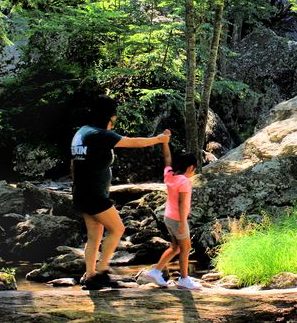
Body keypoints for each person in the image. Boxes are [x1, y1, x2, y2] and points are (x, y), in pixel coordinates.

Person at [71, 95, 168, 289]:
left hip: (82, 192)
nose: (113, 126)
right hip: (94, 195)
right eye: (112, 121)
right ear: (106, 117)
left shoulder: (82, 132)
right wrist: (159, 139)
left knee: (95, 234)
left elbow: (73, 164)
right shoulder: (100, 134)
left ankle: (90, 276)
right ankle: (102, 271)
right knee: (118, 229)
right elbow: (134, 142)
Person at [142, 137, 201, 290]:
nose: (194, 172)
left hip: (168, 217)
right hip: (177, 219)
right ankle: (184, 279)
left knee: (175, 247)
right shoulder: (184, 182)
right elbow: (182, 203)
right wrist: (182, 223)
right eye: (194, 169)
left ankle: (155, 271)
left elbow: (167, 158)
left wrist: (165, 142)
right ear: (189, 168)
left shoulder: (170, 175)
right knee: (186, 248)